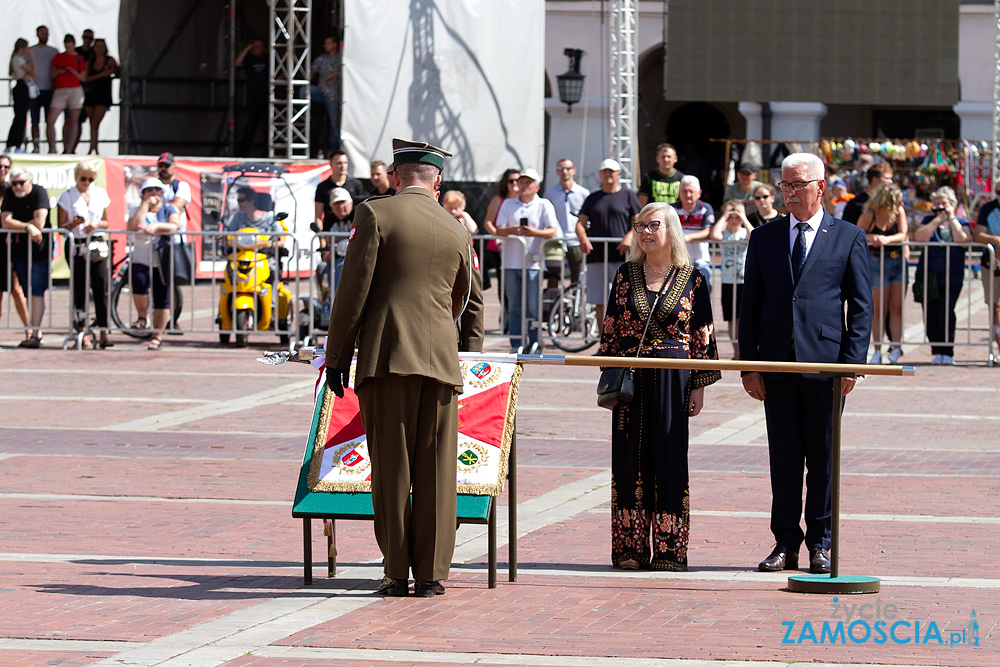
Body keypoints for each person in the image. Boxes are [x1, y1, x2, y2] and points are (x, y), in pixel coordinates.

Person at [324, 138, 484, 597]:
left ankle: (396, 570)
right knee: (436, 469)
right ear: (437, 181)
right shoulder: (457, 229)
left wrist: (337, 356)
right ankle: (432, 573)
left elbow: (353, 290)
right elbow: (462, 300)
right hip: (439, 360)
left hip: (388, 356)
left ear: (396, 177)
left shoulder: (375, 214)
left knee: (393, 468)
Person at [739, 153, 872, 575]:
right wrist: (749, 366)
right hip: (776, 365)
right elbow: (751, 306)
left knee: (823, 458)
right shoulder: (764, 237)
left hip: (826, 367)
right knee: (784, 457)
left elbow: (861, 306)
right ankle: (785, 543)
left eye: (798, 185)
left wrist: (850, 364)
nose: (790, 193)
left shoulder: (847, 236)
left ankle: (820, 543)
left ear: (820, 186)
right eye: (785, 186)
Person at [599, 202, 720, 571]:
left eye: (653, 225)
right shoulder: (625, 274)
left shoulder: (693, 277)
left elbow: (703, 334)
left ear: (671, 230)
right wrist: (609, 372)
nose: (646, 232)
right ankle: (631, 550)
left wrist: (698, 385)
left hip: (673, 375)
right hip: (632, 377)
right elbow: (611, 327)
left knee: (669, 456)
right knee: (629, 457)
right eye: (640, 226)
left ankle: (669, 551)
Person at [495, 168, 558, 352]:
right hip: (510, 262)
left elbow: (552, 230)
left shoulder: (544, 204)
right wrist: (513, 230)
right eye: (521, 182)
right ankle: (516, 342)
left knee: (532, 305)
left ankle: (535, 341)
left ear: (537, 186)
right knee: (514, 305)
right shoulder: (508, 203)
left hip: (534, 263)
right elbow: (499, 229)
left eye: (528, 182)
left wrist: (534, 232)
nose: (523, 186)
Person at [576, 159, 641, 333]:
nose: (608, 174)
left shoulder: (628, 195)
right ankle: (603, 342)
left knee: (626, 300)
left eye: (611, 171)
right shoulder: (593, 197)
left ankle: (626, 339)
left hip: (621, 257)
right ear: (600, 174)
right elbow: (580, 223)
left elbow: (639, 222)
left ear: (618, 174)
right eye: (604, 171)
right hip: (596, 257)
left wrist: (629, 237)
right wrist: (583, 239)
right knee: (600, 302)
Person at [913, 186, 971, 365]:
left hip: (952, 274)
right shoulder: (928, 220)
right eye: (937, 204)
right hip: (929, 274)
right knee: (930, 313)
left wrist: (951, 218)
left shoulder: (961, 221)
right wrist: (937, 219)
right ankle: (936, 350)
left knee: (946, 312)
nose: (940, 207)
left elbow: (963, 240)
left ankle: (948, 350)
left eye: (944, 203)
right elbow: (920, 238)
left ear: (952, 204)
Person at [57, 161, 112, 348]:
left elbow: (106, 221)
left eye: (90, 178)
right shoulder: (68, 196)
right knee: (80, 289)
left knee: (101, 287)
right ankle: (82, 331)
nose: (87, 182)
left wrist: (96, 224)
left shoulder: (100, 194)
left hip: (96, 244)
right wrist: (73, 224)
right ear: (76, 177)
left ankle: (104, 331)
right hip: (77, 244)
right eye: (83, 178)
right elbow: (60, 226)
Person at [127, 178, 180, 350]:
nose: (153, 193)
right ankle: (142, 317)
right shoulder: (137, 209)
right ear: (142, 193)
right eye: (149, 190)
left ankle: (157, 335)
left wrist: (157, 225)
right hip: (140, 257)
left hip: (161, 258)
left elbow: (174, 225)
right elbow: (134, 225)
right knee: (139, 287)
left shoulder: (169, 208)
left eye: (157, 190)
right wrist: (145, 205)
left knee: (162, 296)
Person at [857, 184, 908, 365]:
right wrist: (872, 237)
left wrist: (887, 239)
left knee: (896, 307)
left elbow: (903, 233)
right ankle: (877, 349)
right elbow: (858, 233)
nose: (901, 203)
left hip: (897, 261)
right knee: (878, 308)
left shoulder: (898, 212)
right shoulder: (870, 214)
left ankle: (896, 347)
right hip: (877, 262)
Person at [1, 168, 52, 347]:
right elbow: (5, 220)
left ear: (29, 181)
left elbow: (40, 221)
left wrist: (20, 226)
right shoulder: (9, 193)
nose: (17, 187)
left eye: (21, 182)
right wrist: (27, 228)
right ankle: (32, 331)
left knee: (36, 290)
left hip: (39, 251)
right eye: (14, 183)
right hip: (19, 251)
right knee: (25, 291)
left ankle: (36, 334)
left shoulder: (39, 192)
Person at [710, 200, 754, 359]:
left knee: (744, 316)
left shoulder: (744, 232)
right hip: (728, 280)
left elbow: (753, 235)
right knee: (730, 318)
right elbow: (714, 235)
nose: (734, 221)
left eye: (737, 218)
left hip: (743, 280)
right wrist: (725, 215)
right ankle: (736, 351)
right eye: (731, 217)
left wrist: (743, 216)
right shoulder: (725, 233)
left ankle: (745, 349)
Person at [543, 158, 589, 285]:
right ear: (557, 172)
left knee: (576, 277)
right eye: (560, 169)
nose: (564, 172)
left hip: (575, 240)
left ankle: (575, 303)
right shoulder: (550, 193)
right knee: (553, 277)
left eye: (568, 168)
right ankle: (554, 303)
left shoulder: (583, 193)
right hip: (556, 241)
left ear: (573, 170)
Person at [0, 154, 30, 339]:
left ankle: (31, 330)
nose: (2, 170)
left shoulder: (11, 190)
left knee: (16, 289)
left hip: (8, 244)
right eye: (0, 166)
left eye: (5, 167)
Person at [671, 175, 715, 287]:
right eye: (684, 191)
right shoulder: (671, 209)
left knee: (703, 289)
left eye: (691, 191)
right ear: (679, 192)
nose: (688, 195)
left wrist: (688, 238)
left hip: (700, 258)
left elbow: (707, 232)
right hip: (677, 259)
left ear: (699, 193)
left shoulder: (706, 208)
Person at [481, 168, 520, 295]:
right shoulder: (498, 200)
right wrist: (498, 238)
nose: (515, 184)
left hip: (519, 245)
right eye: (511, 181)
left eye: (518, 180)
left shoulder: (525, 200)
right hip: (499, 247)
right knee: (503, 281)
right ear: (505, 183)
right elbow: (488, 222)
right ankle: (505, 311)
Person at [46, 34, 86, 154]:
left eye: (70, 45)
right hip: (60, 90)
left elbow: (83, 77)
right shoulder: (58, 57)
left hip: (75, 90)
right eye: (66, 45)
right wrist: (59, 71)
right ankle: (52, 148)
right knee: (51, 120)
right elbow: (51, 75)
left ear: (73, 45)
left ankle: (69, 149)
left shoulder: (79, 58)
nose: (68, 47)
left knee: (73, 120)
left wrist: (73, 71)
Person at [973, 179, 1000, 352]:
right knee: (996, 305)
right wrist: (996, 240)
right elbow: (978, 235)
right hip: (992, 263)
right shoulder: (988, 208)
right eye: (998, 192)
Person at [82, 39, 118, 155]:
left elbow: (118, 72)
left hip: (103, 95)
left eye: (102, 46)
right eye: (98, 46)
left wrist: (112, 69)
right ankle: (92, 147)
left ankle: (94, 148)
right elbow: (86, 78)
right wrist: (101, 75)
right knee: (92, 122)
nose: (100, 48)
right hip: (91, 94)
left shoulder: (110, 60)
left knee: (95, 122)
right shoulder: (90, 61)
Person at [235, 39, 268, 156]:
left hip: (269, 99)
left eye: (258, 46)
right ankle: (242, 154)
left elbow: (284, 70)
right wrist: (247, 49)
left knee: (269, 128)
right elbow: (237, 63)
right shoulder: (249, 59)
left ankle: (268, 153)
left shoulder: (268, 58)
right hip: (253, 99)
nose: (255, 48)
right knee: (250, 127)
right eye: (254, 46)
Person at [309, 36, 342, 152]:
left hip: (333, 96)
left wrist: (333, 75)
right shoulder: (321, 59)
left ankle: (334, 150)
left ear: (335, 45)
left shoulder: (341, 59)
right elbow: (311, 74)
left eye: (328, 43)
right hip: (321, 91)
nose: (325, 46)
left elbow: (347, 70)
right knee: (305, 91)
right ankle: (302, 113)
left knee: (335, 125)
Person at [28, 26, 58, 154]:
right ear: (37, 34)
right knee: (34, 120)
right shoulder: (30, 51)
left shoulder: (53, 51)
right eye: (42, 33)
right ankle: (36, 145)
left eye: (46, 33)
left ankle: (52, 147)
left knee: (49, 121)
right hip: (34, 91)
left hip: (49, 90)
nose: (44, 35)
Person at [318, 186, 354, 291]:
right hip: (334, 256)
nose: (340, 206)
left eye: (343, 202)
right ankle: (327, 298)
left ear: (350, 203)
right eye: (336, 203)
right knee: (321, 268)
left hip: (353, 257)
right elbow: (325, 239)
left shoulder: (358, 214)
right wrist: (325, 251)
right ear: (331, 206)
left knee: (340, 266)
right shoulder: (329, 218)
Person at [315, 151, 365, 226]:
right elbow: (318, 217)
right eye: (339, 163)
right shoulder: (322, 187)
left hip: (352, 231)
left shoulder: (356, 184)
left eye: (345, 163)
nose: (343, 166)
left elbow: (363, 212)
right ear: (331, 164)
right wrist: (321, 236)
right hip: (330, 232)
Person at [5, 39, 36, 153]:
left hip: (22, 87)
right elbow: (33, 71)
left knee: (21, 117)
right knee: (20, 118)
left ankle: (15, 144)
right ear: (22, 48)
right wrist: (31, 57)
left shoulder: (18, 59)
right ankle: (16, 144)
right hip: (21, 88)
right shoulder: (18, 59)